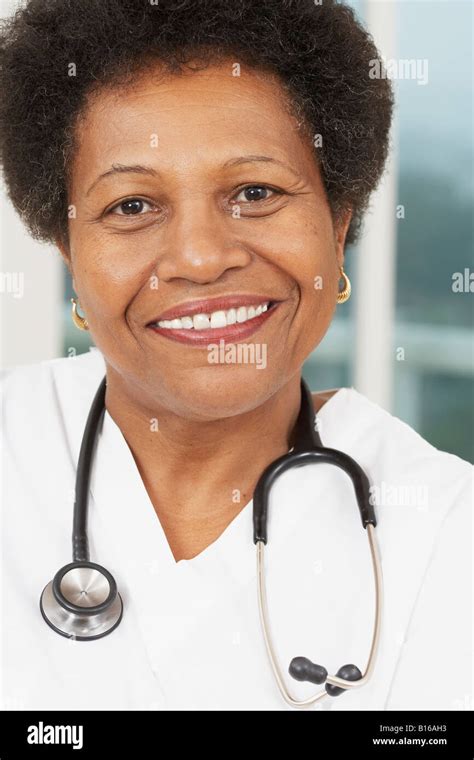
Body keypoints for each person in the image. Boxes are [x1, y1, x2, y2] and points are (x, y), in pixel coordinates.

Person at [0, 0, 471, 711]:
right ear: (69, 252)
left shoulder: (447, 531)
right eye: (131, 206)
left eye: (256, 192)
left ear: (337, 223)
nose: (200, 257)